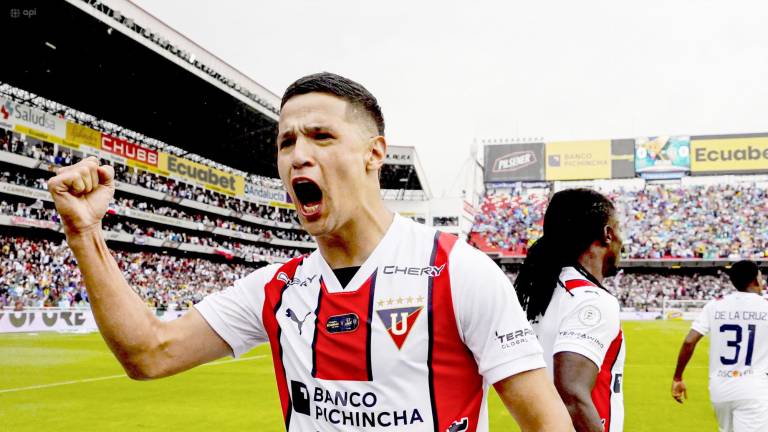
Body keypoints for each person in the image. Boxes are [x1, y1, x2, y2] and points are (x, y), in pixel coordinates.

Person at [47, 72, 573, 431]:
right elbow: (148, 352)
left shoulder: (459, 271)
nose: (299, 155)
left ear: (374, 154)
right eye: (285, 142)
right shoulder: (277, 288)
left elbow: (546, 422)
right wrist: (85, 234)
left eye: (321, 136)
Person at [515, 188, 626, 432]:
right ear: (607, 234)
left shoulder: (542, 292)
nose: (622, 241)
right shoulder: (591, 299)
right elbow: (572, 398)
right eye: (619, 228)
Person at [671, 260, 768, 432]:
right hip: (754, 388)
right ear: (755, 279)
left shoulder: (715, 305)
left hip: (720, 388)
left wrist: (678, 377)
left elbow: (689, 341)